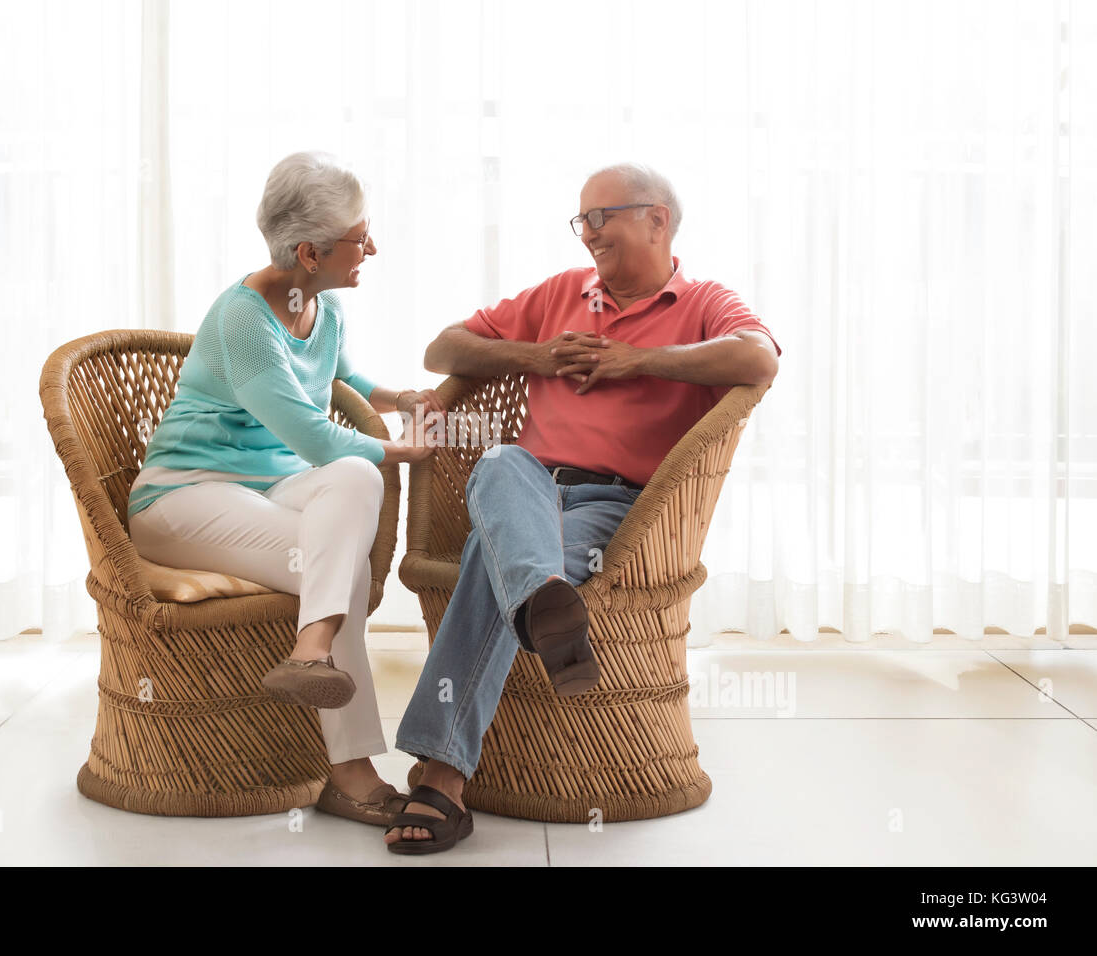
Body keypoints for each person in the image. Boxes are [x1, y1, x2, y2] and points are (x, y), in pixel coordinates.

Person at [384, 161, 782, 854]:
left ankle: (442, 777)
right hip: (528, 483)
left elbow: (758, 360)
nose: (588, 234)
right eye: (581, 220)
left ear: (658, 219)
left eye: (604, 217)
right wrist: (536, 355)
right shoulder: (564, 292)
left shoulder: (703, 301)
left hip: (619, 511)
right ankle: (545, 602)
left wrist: (639, 361)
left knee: (494, 551)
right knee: (501, 461)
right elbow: (442, 348)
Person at [126, 151, 444, 828]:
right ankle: (350, 772)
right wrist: (401, 448)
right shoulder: (243, 318)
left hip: (268, 488)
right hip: (183, 496)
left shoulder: (322, 310)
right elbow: (317, 437)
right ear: (309, 251)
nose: (373, 247)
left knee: (356, 480)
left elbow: (341, 383)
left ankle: (311, 652)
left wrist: (398, 397)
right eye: (361, 238)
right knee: (346, 559)